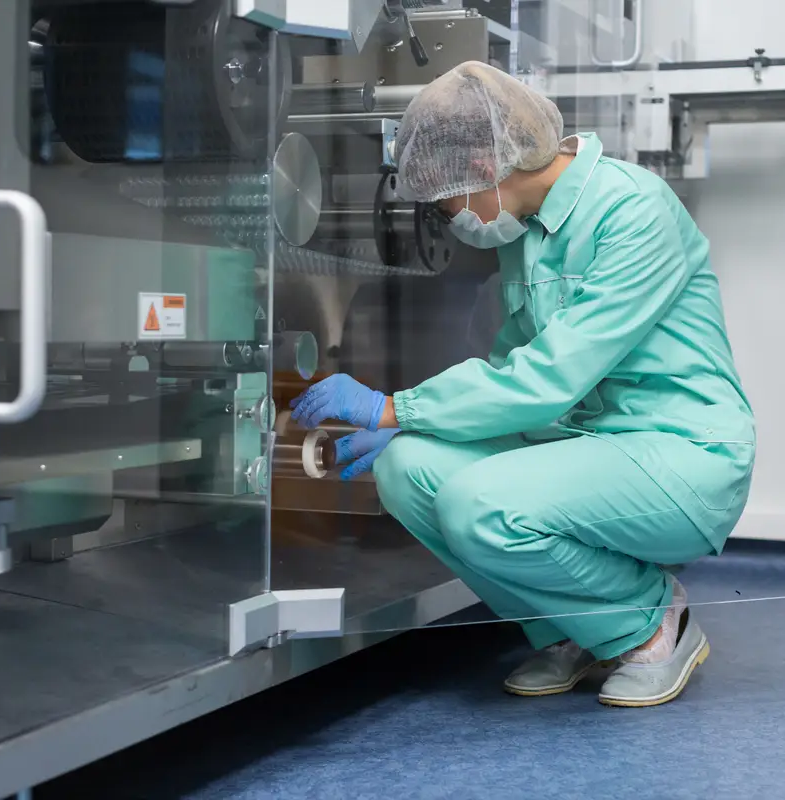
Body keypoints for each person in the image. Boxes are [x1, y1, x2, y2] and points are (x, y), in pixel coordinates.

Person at [290, 61, 755, 707]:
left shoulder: (633, 209)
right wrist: (411, 429)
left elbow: (549, 378)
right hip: (581, 446)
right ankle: (577, 628)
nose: (450, 217)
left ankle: (650, 626)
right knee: (407, 471)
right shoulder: (527, 233)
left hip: (679, 455)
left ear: (486, 169)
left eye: (446, 199)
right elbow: (511, 367)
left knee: (479, 503)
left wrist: (397, 407)